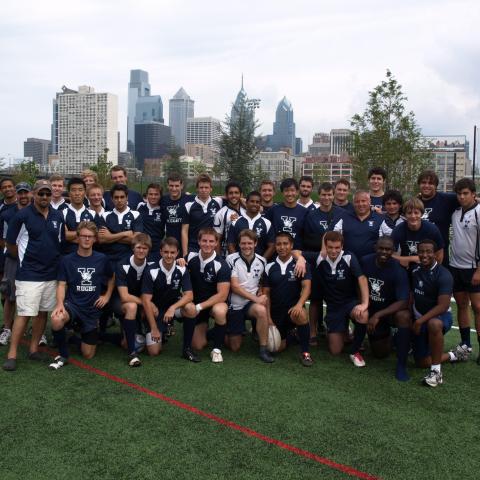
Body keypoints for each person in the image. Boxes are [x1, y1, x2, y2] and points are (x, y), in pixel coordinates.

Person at [3, 180, 65, 371]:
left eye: (47, 194)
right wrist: (25, 260)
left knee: (42, 313)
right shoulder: (22, 216)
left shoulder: (58, 215)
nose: (45, 197)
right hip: (29, 274)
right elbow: (10, 244)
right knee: (24, 314)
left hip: (51, 274)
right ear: (33, 195)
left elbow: (59, 242)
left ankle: (33, 348)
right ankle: (12, 354)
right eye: (41, 194)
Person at [49, 221, 114, 369]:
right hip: (73, 306)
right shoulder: (66, 260)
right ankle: (63, 354)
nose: (86, 239)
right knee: (56, 318)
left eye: (90, 236)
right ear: (77, 238)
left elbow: (111, 277)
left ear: (95, 239)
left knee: (88, 354)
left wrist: (107, 296)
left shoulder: (102, 259)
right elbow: (61, 284)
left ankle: (73, 338)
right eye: (83, 236)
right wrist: (60, 304)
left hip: (91, 311)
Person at [302, 231, 369, 367]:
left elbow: (361, 278)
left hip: (350, 303)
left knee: (363, 315)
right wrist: (300, 259)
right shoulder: (320, 258)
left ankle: (355, 351)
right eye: (330, 247)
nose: (333, 251)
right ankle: (342, 330)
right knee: (335, 350)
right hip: (333, 307)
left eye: (337, 247)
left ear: (342, 246)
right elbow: (295, 252)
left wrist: (364, 304)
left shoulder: (349, 257)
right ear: (325, 246)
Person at [360, 237, 411, 380]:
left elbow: (403, 302)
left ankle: (401, 364)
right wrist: (365, 305)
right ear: (375, 247)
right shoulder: (365, 261)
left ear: (393, 251)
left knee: (404, 316)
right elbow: (358, 283)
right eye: (381, 248)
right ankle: (393, 338)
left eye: (388, 249)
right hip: (372, 309)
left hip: (389, 312)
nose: (384, 252)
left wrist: (378, 315)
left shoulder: (398, 270)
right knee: (380, 354)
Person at [142, 237, 198, 361]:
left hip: (173, 308)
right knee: (154, 351)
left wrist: (173, 307)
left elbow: (189, 295)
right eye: (166, 252)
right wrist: (154, 329)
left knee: (191, 308)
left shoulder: (182, 269)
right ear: (160, 252)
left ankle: (187, 349)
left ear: (177, 253)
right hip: (156, 309)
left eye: (172, 252)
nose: (169, 255)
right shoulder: (151, 270)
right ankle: (153, 329)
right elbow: (146, 301)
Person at [303, 182, 345, 343]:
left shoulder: (341, 213)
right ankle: (313, 332)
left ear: (334, 196)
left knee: (337, 297)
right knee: (315, 298)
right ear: (318, 196)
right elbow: (308, 238)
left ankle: (338, 329)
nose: (326, 198)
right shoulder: (312, 215)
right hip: (317, 261)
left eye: (329, 195)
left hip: (338, 260)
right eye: (323, 195)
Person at [263, 232, 313, 367]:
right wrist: (268, 318)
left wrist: (299, 305)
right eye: (279, 244)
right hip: (276, 313)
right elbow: (266, 294)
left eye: (285, 244)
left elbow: (307, 287)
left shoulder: (300, 264)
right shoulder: (269, 266)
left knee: (302, 314)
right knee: (275, 349)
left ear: (291, 245)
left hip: (292, 310)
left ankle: (305, 352)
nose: (282, 247)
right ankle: (292, 335)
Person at [225, 229, 273, 363]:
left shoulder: (262, 261)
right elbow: (234, 287)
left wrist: (260, 291)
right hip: (234, 305)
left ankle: (263, 349)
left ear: (255, 243)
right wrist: (256, 298)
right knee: (234, 347)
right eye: (243, 243)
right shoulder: (231, 259)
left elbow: (262, 283)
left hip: (250, 305)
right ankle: (220, 331)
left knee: (261, 310)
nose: (246, 246)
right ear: (239, 244)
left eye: (249, 243)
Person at [411, 239, 454, 387]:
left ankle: (436, 373)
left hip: (440, 318)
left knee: (433, 324)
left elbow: (443, 306)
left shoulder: (444, 275)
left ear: (435, 254)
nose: (424, 255)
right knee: (421, 362)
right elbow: (411, 296)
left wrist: (419, 321)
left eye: (428, 251)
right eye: (421, 251)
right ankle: (453, 355)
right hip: (420, 318)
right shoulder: (415, 271)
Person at [186, 228, 230, 362]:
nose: (207, 244)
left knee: (220, 311)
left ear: (216, 243)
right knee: (197, 345)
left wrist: (199, 307)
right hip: (196, 304)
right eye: (204, 241)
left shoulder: (222, 264)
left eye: (211, 241)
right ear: (198, 241)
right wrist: (179, 262)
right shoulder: (189, 258)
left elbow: (222, 295)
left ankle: (216, 350)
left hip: (212, 304)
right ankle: (217, 331)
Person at [448, 178, 480, 363]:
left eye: (465, 193)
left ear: (473, 193)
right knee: (461, 305)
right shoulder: (455, 211)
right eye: (459, 194)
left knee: (477, 308)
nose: (461, 197)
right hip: (455, 267)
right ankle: (465, 344)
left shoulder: (478, 212)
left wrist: (479, 271)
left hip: (473, 269)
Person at [114, 233, 153, 366]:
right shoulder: (122, 265)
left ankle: (147, 332)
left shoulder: (151, 266)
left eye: (145, 248)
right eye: (138, 247)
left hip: (140, 300)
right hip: (120, 301)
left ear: (149, 250)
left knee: (152, 309)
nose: (141, 251)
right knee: (132, 306)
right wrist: (147, 304)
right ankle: (132, 353)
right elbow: (124, 296)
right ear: (133, 248)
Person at [0, 182, 32, 346]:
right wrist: (17, 254)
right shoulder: (7, 214)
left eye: (26, 193)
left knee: (33, 297)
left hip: (32, 260)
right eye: (21, 193)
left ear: (31, 194)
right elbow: (5, 240)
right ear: (17, 194)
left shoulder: (37, 211)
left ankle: (34, 331)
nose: (24, 196)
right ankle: (7, 328)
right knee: (10, 296)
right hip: (13, 259)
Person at [417, 169, 458, 265]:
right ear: (419, 184)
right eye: (423, 182)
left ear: (436, 186)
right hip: (419, 254)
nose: (427, 185)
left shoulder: (447, 199)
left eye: (431, 183)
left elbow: (468, 199)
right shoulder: (415, 202)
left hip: (440, 254)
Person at [391, 198, 444, 270]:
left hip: (426, 268)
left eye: (416, 213)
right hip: (406, 268)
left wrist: (433, 270)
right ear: (405, 215)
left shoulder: (432, 229)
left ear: (421, 214)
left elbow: (439, 254)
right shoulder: (398, 229)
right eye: (409, 213)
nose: (413, 216)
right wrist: (411, 258)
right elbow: (390, 254)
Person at [97, 184, 144, 265]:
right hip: (109, 259)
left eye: (122, 197)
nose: (119, 200)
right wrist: (125, 234)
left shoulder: (136, 215)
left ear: (127, 198)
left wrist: (110, 236)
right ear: (111, 199)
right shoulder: (105, 215)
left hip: (129, 260)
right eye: (116, 197)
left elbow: (137, 241)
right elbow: (101, 239)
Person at [181, 174, 223, 256]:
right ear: (197, 189)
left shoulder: (218, 202)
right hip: (193, 248)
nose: (204, 190)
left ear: (211, 189)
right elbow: (184, 231)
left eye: (206, 187)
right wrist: (185, 253)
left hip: (211, 247)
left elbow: (233, 198)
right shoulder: (188, 206)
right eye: (201, 187)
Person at [333, 190, 383, 259]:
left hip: (372, 262)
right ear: (353, 203)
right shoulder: (343, 217)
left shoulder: (380, 219)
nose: (360, 204)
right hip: (348, 261)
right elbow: (333, 237)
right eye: (357, 202)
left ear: (369, 202)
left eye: (363, 201)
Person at [227, 191, 275, 259]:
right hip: (239, 266)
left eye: (257, 202)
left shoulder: (267, 223)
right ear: (246, 203)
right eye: (252, 201)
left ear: (260, 204)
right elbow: (230, 244)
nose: (254, 204)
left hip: (259, 267)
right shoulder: (236, 221)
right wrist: (236, 261)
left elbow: (272, 245)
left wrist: (262, 261)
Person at [265, 178, 308, 250]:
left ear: (297, 192)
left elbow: (306, 236)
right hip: (277, 254)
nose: (289, 194)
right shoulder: (273, 210)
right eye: (286, 191)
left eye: (292, 190)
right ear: (282, 193)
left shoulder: (305, 212)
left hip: (296, 255)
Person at [62, 177, 98, 255]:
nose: (77, 193)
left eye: (80, 190)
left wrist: (70, 235)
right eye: (74, 190)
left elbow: (97, 237)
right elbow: (62, 236)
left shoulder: (93, 214)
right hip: (67, 256)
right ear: (69, 193)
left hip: (88, 257)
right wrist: (87, 235)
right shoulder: (62, 214)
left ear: (85, 192)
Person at [161, 172, 194, 247]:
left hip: (186, 243)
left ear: (181, 186)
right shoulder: (163, 200)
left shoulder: (190, 199)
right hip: (170, 244)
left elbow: (207, 198)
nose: (174, 188)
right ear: (167, 186)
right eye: (171, 186)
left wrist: (224, 198)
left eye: (177, 186)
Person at [213, 181, 245, 256]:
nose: (234, 195)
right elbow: (217, 240)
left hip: (246, 254)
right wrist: (219, 260)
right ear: (226, 195)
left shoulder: (247, 211)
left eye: (236, 193)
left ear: (241, 195)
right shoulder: (220, 214)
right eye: (231, 193)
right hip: (227, 256)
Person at [136, 183, 165, 262]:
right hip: (141, 247)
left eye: (156, 194)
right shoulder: (140, 206)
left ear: (160, 196)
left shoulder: (163, 210)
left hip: (156, 249)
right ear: (147, 195)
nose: (153, 197)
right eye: (150, 194)